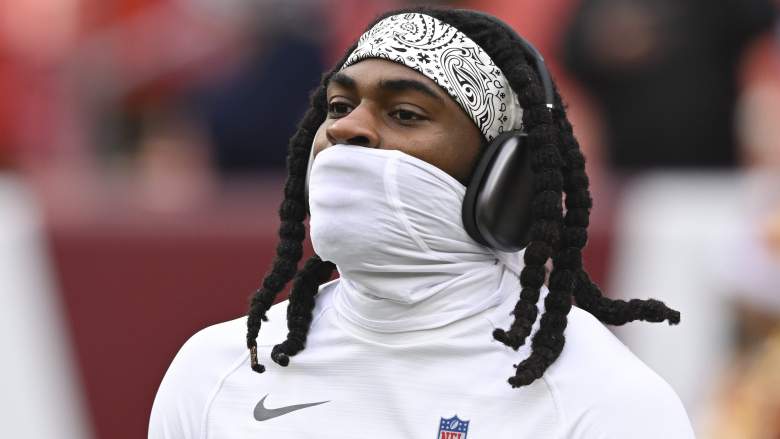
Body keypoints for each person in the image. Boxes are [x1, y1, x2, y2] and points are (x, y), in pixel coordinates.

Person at [149, 7, 694, 438]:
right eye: (338, 107)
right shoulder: (214, 372)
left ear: (503, 180)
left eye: (405, 114)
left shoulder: (601, 401)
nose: (347, 129)